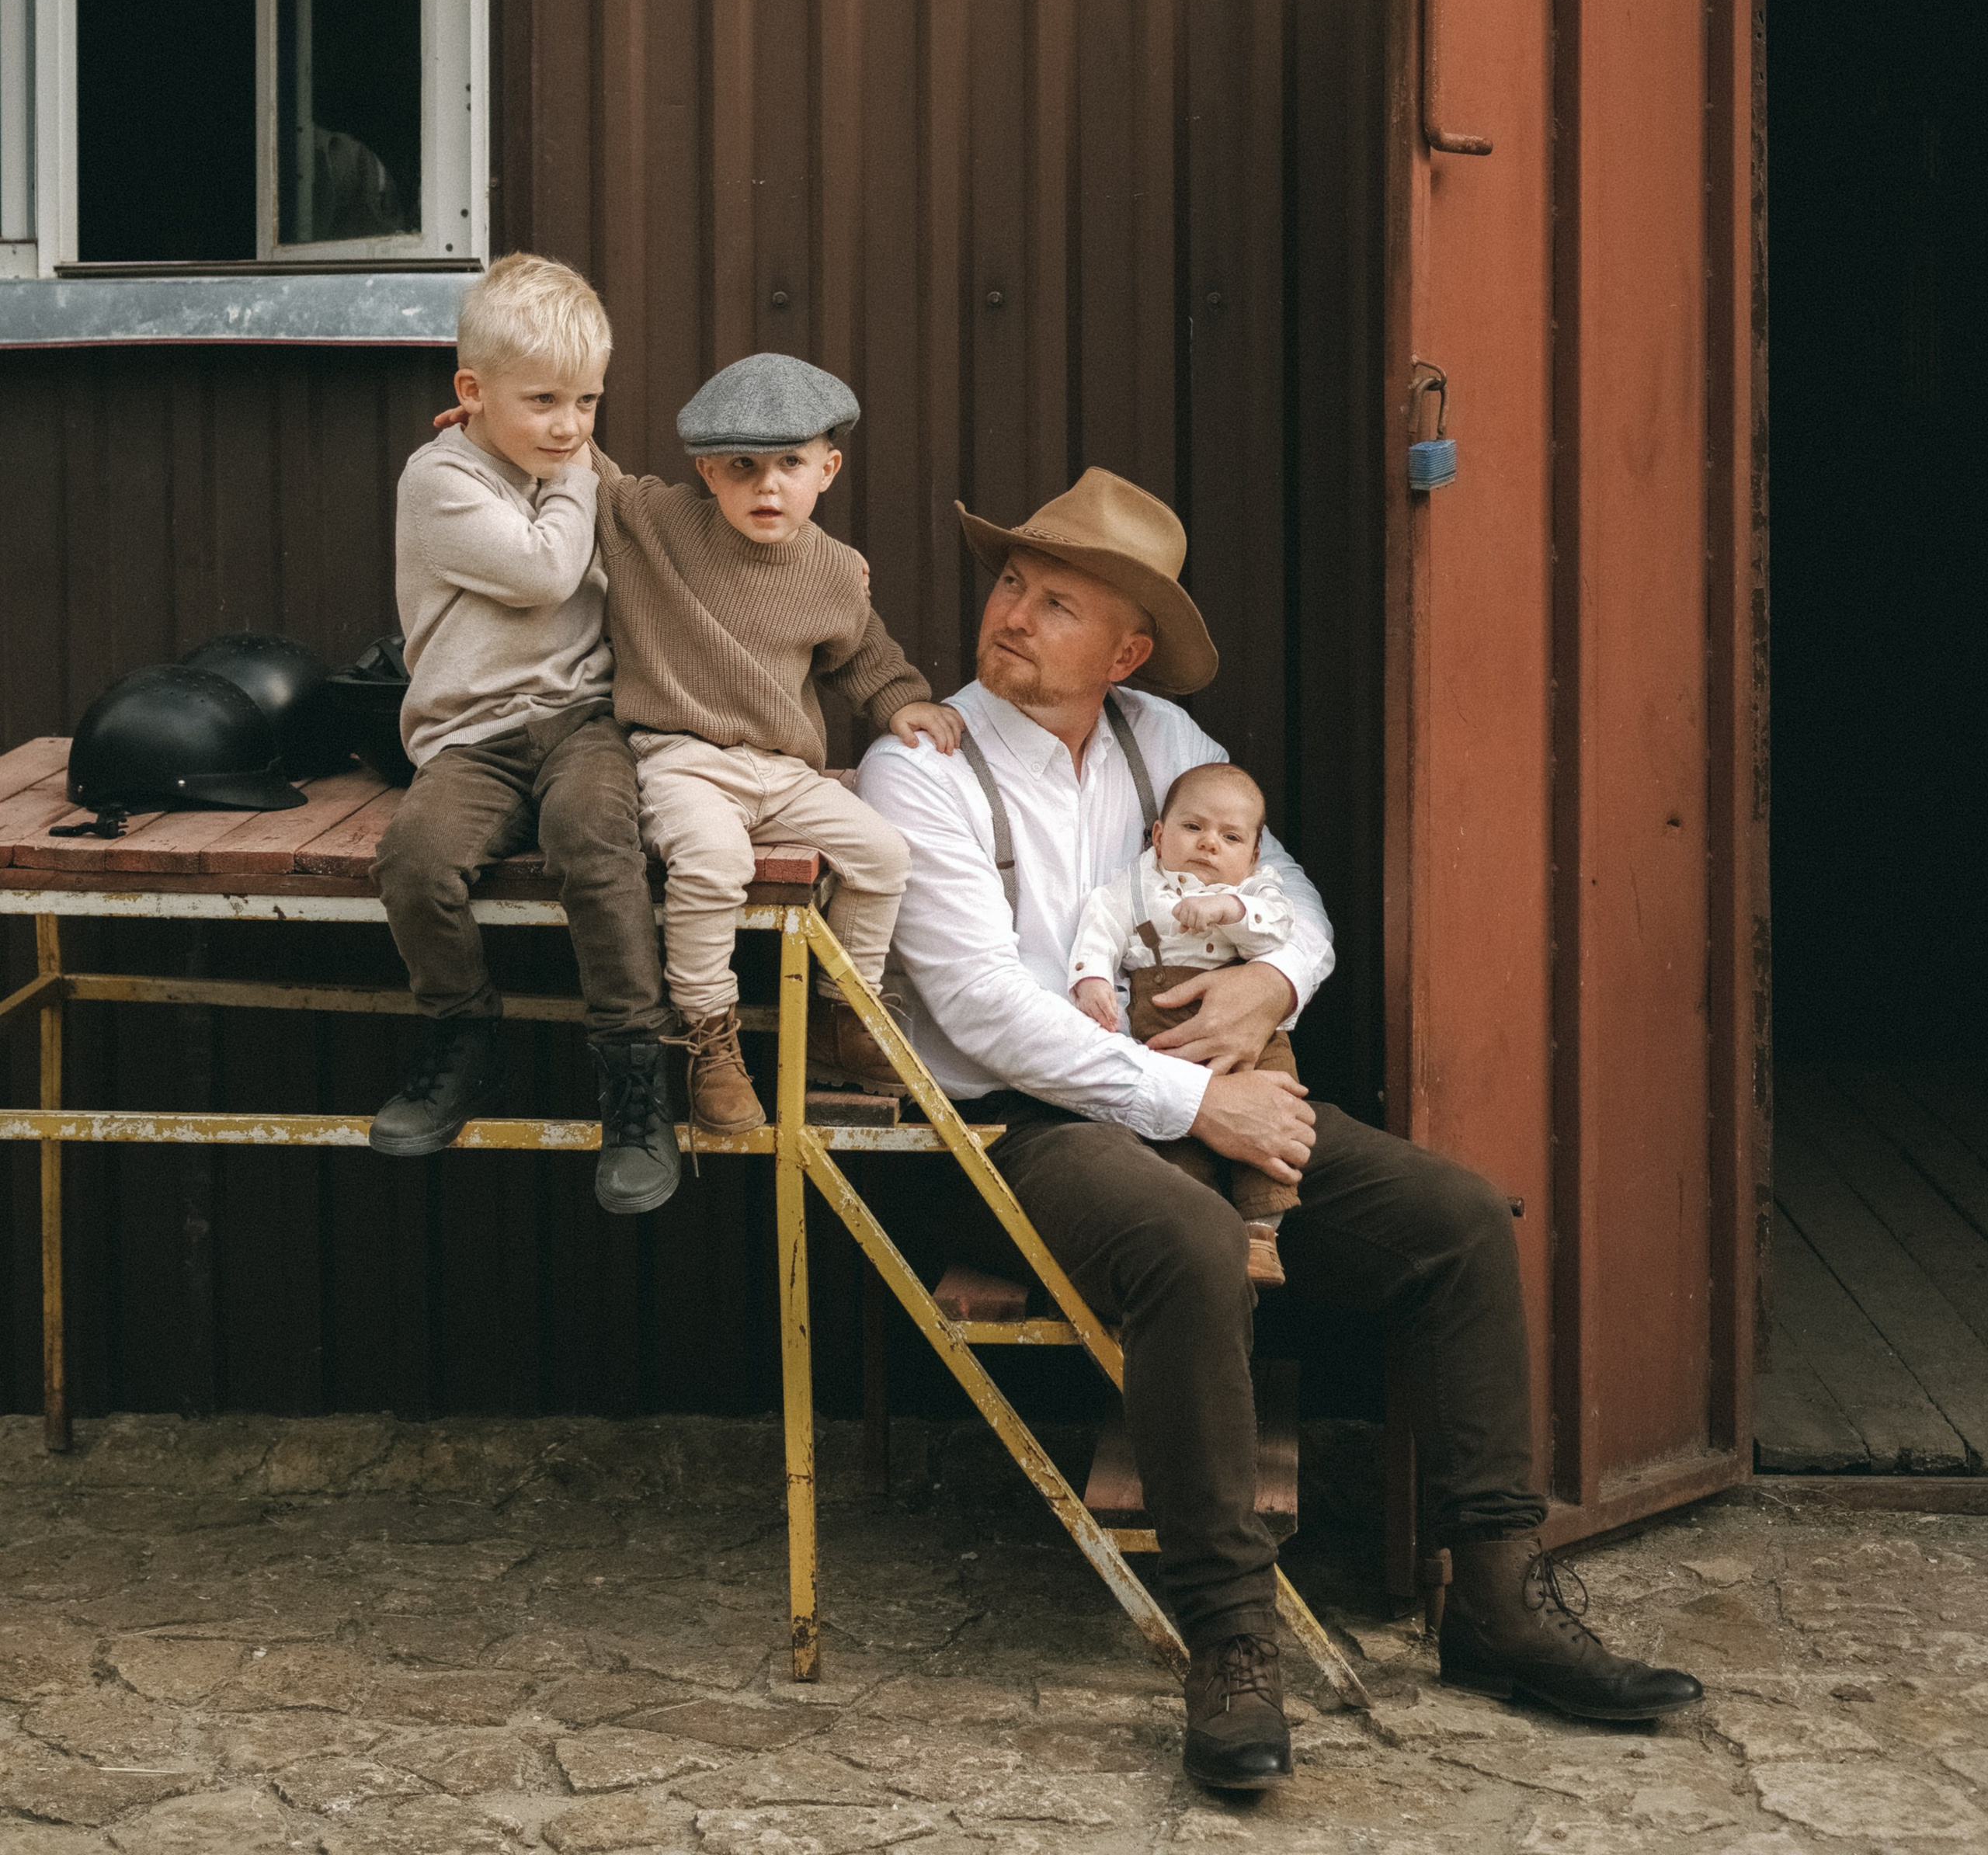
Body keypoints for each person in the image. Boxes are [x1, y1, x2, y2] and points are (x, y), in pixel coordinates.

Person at [860, 468, 1703, 1793]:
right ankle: (1231, 1638)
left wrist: (1272, 983)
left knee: (1456, 1222)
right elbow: (980, 1010)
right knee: (1193, 1243)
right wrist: (1202, 1102)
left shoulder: (1162, 737)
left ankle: (1496, 1600)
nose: (1012, 613)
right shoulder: (922, 768)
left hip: (1203, 1090)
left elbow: (1288, 890)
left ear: (1126, 653)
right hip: (1012, 1130)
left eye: (1057, 601)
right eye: (1013, 583)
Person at [370, 255, 679, 1218]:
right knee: (416, 859)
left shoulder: (570, 466)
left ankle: (635, 1073)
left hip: (582, 721)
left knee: (595, 840)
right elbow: (546, 571)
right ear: (471, 393)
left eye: (587, 401)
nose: (570, 425)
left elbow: (643, 525)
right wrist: (579, 472)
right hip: (472, 737)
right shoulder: (439, 478)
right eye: (542, 400)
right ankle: (463, 1037)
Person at [592, 355, 962, 1132]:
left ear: (827, 469)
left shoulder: (834, 570)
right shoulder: (656, 525)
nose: (767, 486)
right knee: (712, 862)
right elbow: (587, 470)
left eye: (790, 463)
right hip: (683, 759)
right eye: (742, 466)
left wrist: (902, 700)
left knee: (884, 855)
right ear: (707, 471)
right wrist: (500, 430)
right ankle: (707, 1039)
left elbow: (861, 653)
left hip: (784, 772)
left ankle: (842, 1017)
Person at [1067, 758, 1299, 1291]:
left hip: (1252, 1037)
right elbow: (1100, 926)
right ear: (1158, 835)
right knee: (1176, 1143)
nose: (1209, 844)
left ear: (1254, 854)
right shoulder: (1134, 886)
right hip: (1164, 1028)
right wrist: (1092, 978)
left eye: (1231, 837)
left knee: (1271, 1123)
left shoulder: (1256, 891)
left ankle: (1261, 1233)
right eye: (1193, 827)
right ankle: (1208, 1233)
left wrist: (1230, 910)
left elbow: (1279, 928)